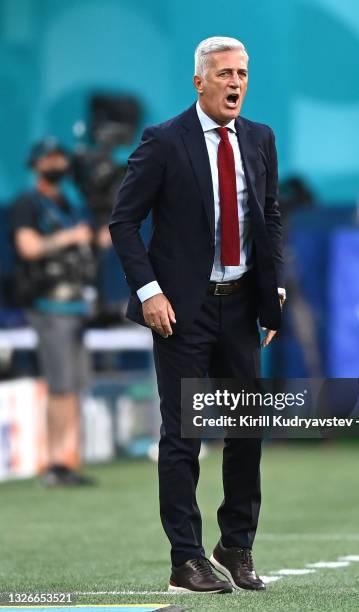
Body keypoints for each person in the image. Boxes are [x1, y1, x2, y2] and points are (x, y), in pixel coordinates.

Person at [109, 36, 285, 593]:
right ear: (199, 81)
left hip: (240, 309)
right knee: (184, 435)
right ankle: (185, 559)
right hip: (180, 312)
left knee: (246, 430)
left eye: (243, 74)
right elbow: (123, 222)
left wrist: (271, 287)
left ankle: (236, 545)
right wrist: (149, 292)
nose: (236, 83)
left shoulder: (259, 138)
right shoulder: (163, 141)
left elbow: (270, 216)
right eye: (225, 73)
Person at [10, 138, 96, 486]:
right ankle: (55, 463)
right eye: (50, 158)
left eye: (60, 158)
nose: (57, 164)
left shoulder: (71, 202)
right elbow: (28, 248)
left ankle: (69, 458)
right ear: (36, 164)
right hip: (49, 305)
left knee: (74, 385)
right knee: (59, 385)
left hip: (77, 305)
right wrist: (69, 238)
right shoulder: (27, 204)